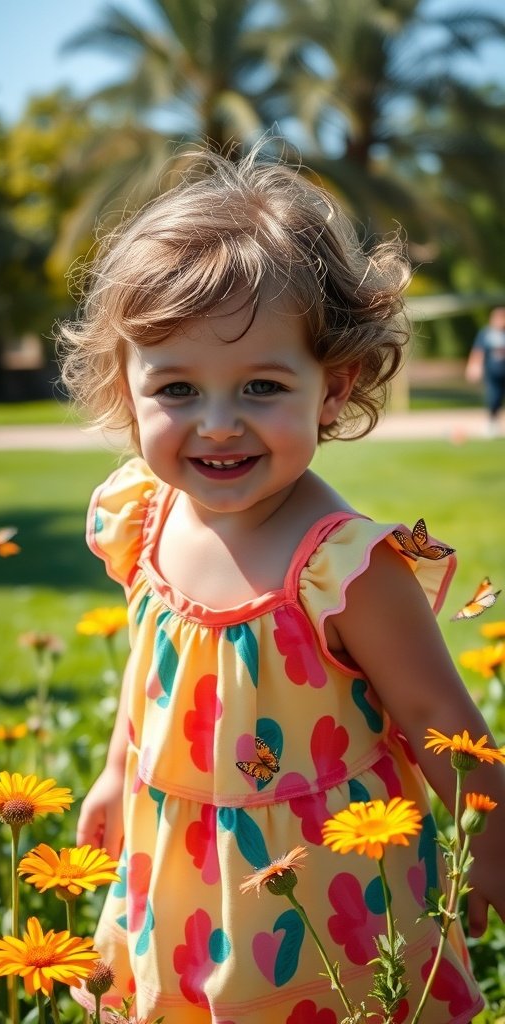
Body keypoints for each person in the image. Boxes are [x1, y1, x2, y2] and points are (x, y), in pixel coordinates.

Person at [59, 148, 505, 1024]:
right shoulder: (146, 515)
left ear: (333, 389)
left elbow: (443, 722)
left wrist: (489, 846)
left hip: (330, 892)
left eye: (261, 386)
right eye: (176, 389)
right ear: (129, 386)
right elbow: (149, 674)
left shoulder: (342, 567)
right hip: (176, 873)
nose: (216, 426)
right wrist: (117, 770)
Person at [465, 306, 505, 437]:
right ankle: (492, 423)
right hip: (492, 373)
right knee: (494, 398)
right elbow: (478, 351)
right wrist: (473, 366)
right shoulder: (486, 333)